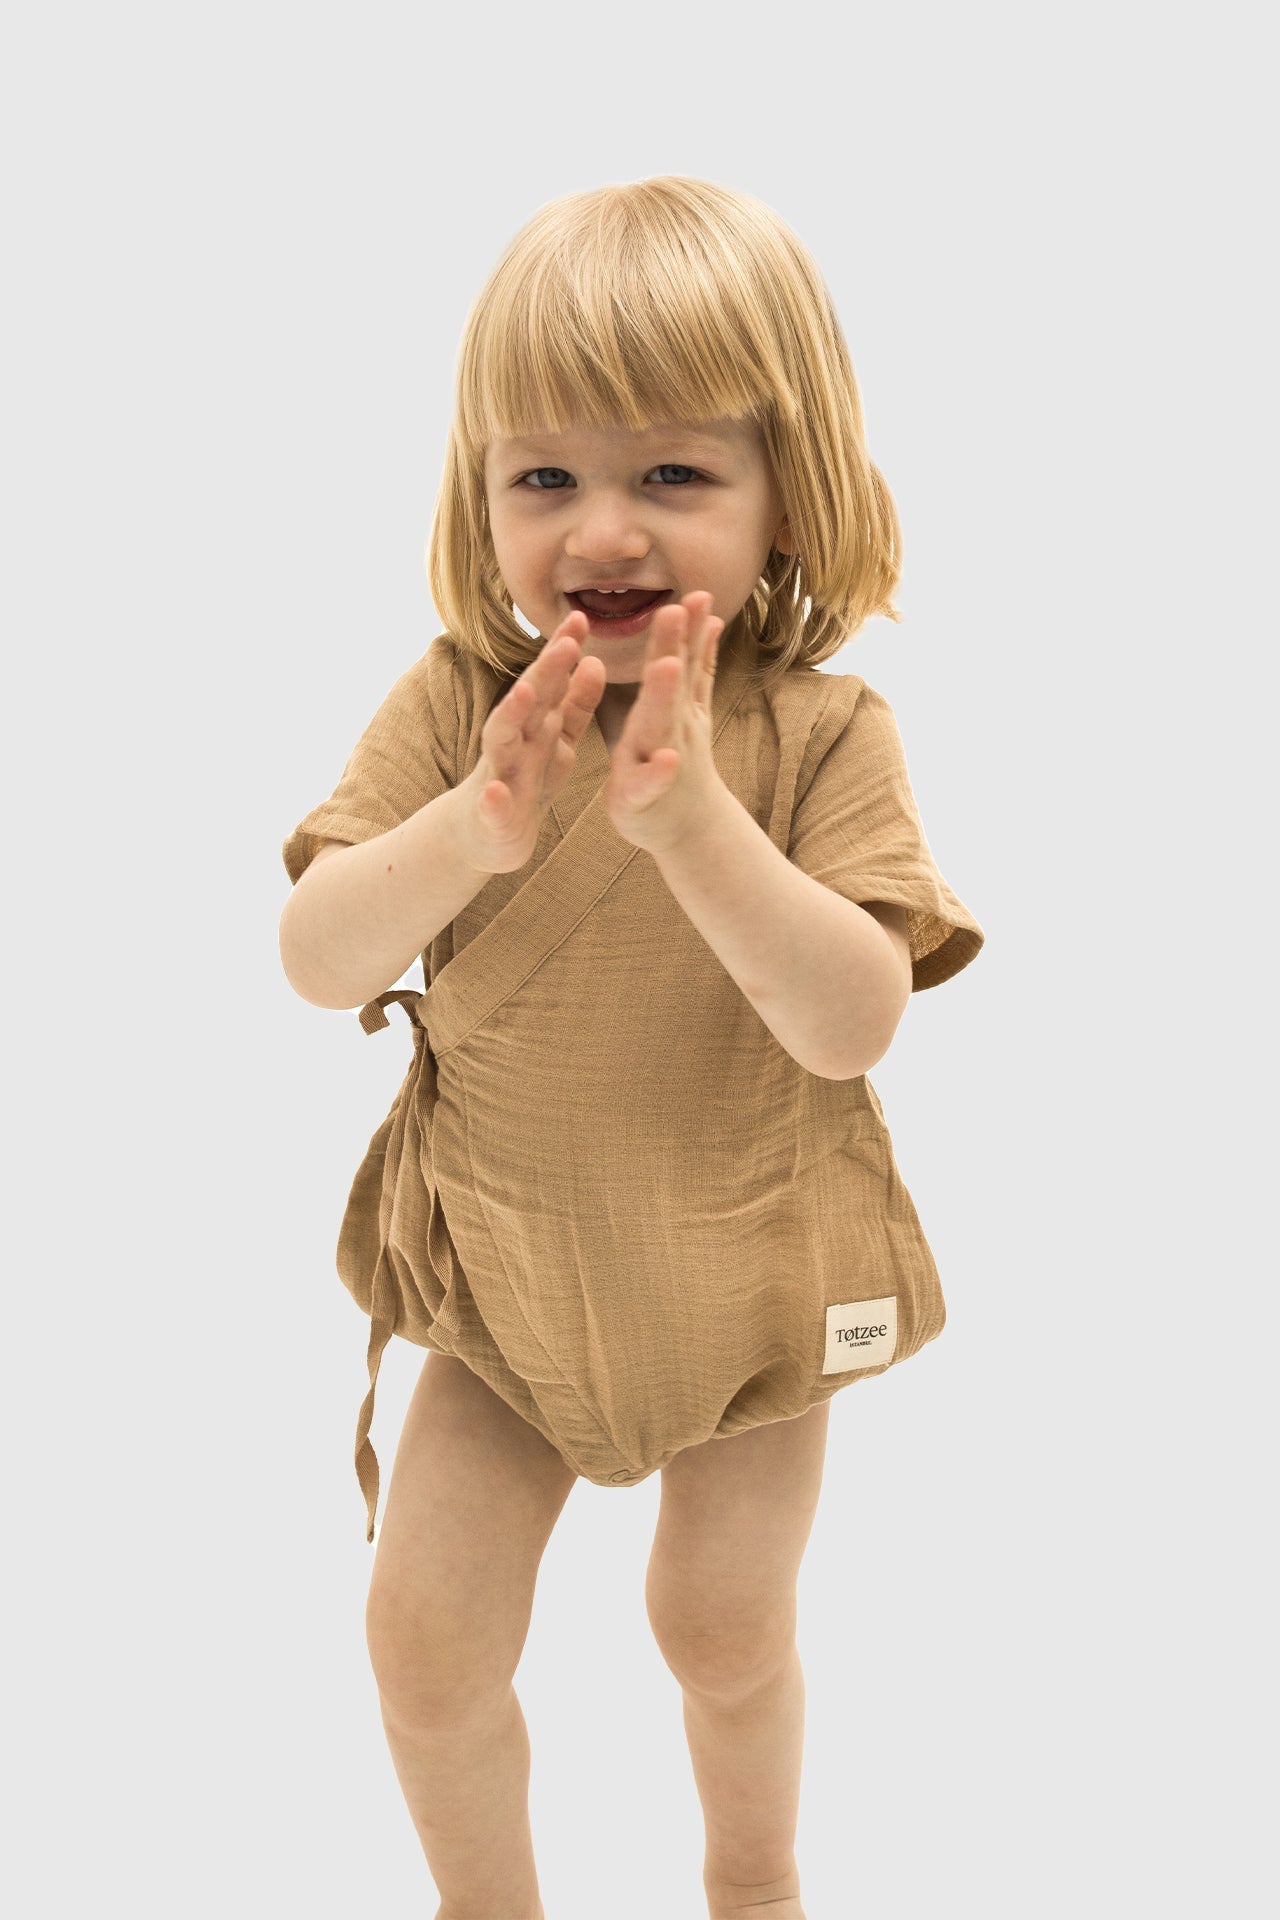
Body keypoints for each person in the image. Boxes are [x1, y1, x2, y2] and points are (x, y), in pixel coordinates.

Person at [279, 174, 984, 1920]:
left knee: (721, 1627)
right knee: (423, 1643)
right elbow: (316, 957)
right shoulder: (459, 707)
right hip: (505, 1287)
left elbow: (854, 1023)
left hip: (748, 1283)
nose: (603, 529)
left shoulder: (823, 735)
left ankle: (757, 1884)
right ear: (481, 496)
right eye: (546, 479)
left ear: (787, 496)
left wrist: (698, 834)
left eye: (672, 474)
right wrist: (467, 834)